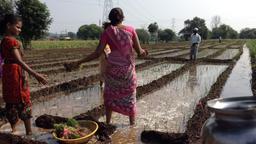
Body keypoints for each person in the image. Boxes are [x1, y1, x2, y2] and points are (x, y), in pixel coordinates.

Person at [66, 8, 147, 125]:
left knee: (110, 97)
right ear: (123, 18)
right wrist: (144, 51)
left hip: (113, 71)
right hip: (128, 73)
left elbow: (97, 53)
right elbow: (140, 52)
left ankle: (108, 123)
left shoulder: (107, 32)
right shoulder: (131, 30)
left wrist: (79, 62)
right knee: (130, 99)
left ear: (110, 18)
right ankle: (131, 126)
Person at [0, 14, 48, 135]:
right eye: (17, 27)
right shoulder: (10, 41)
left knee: (11, 101)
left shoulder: (4, 40)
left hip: (9, 72)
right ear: (8, 25)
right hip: (14, 74)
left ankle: (13, 130)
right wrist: (35, 74)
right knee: (22, 100)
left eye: (20, 28)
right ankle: (29, 133)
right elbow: (19, 60)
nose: (19, 30)